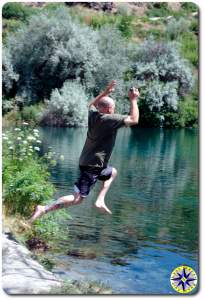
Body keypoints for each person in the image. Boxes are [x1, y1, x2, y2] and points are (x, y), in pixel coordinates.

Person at [29, 80, 139, 223]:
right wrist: (134, 99)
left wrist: (105, 92)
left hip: (91, 163)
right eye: (113, 107)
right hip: (92, 166)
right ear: (107, 110)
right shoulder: (108, 119)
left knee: (112, 172)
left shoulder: (93, 115)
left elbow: (91, 104)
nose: (114, 110)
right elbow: (134, 119)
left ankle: (100, 200)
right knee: (77, 199)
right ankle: (43, 209)